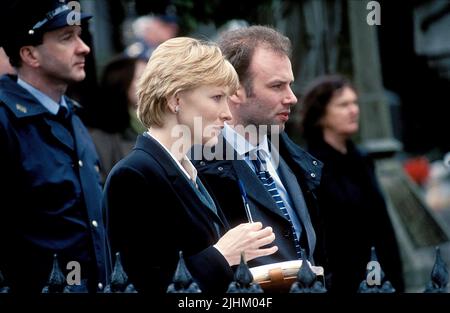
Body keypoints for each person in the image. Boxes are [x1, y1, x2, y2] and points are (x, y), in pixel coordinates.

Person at [103, 37, 278, 293]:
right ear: (176, 100)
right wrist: (222, 254)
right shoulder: (133, 175)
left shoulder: (191, 170)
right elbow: (140, 285)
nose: (227, 114)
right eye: (217, 97)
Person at [193, 26, 328, 272]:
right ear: (234, 91)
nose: (292, 97)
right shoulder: (196, 169)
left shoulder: (298, 161)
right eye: (277, 86)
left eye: (290, 84)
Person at [0, 0, 110, 292]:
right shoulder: (5, 119)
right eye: (66, 37)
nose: (83, 47)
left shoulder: (71, 115)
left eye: (79, 34)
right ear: (30, 54)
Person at [301, 74, 404, 292]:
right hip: (342, 280)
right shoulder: (311, 168)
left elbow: (383, 227)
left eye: (355, 103)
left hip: (380, 275)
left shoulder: (362, 160)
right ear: (320, 115)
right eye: (343, 104)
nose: (354, 110)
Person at [89, 56, 147, 183]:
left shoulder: (167, 126)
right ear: (122, 85)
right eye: (142, 78)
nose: (153, 83)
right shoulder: (99, 140)